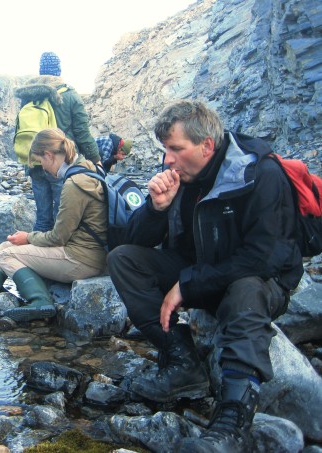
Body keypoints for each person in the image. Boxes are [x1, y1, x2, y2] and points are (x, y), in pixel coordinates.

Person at [106, 100, 303, 452]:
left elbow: (264, 258)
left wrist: (188, 284)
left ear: (207, 146)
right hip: (200, 271)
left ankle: (232, 422)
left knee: (245, 290)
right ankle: (183, 363)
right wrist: (155, 209)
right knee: (123, 260)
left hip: (258, 281)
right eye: (165, 149)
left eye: (175, 149)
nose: (168, 159)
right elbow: (129, 242)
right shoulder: (181, 175)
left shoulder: (259, 173)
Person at [0, 128, 107, 322]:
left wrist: (28, 237)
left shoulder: (73, 185)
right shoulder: (87, 168)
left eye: (41, 160)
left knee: (7, 254)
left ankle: (41, 301)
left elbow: (58, 237)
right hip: (91, 253)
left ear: (49, 155)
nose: (42, 167)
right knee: (4, 246)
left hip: (82, 260)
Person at [14, 51, 101, 232]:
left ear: (40, 71)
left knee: (43, 216)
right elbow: (82, 132)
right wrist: (95, 158)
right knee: (63, 215)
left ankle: (36, 255)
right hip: (61, 163)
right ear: (59, 70)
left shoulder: (29, 96)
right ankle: (58, 255)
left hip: (36, 161)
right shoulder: (69, 95)